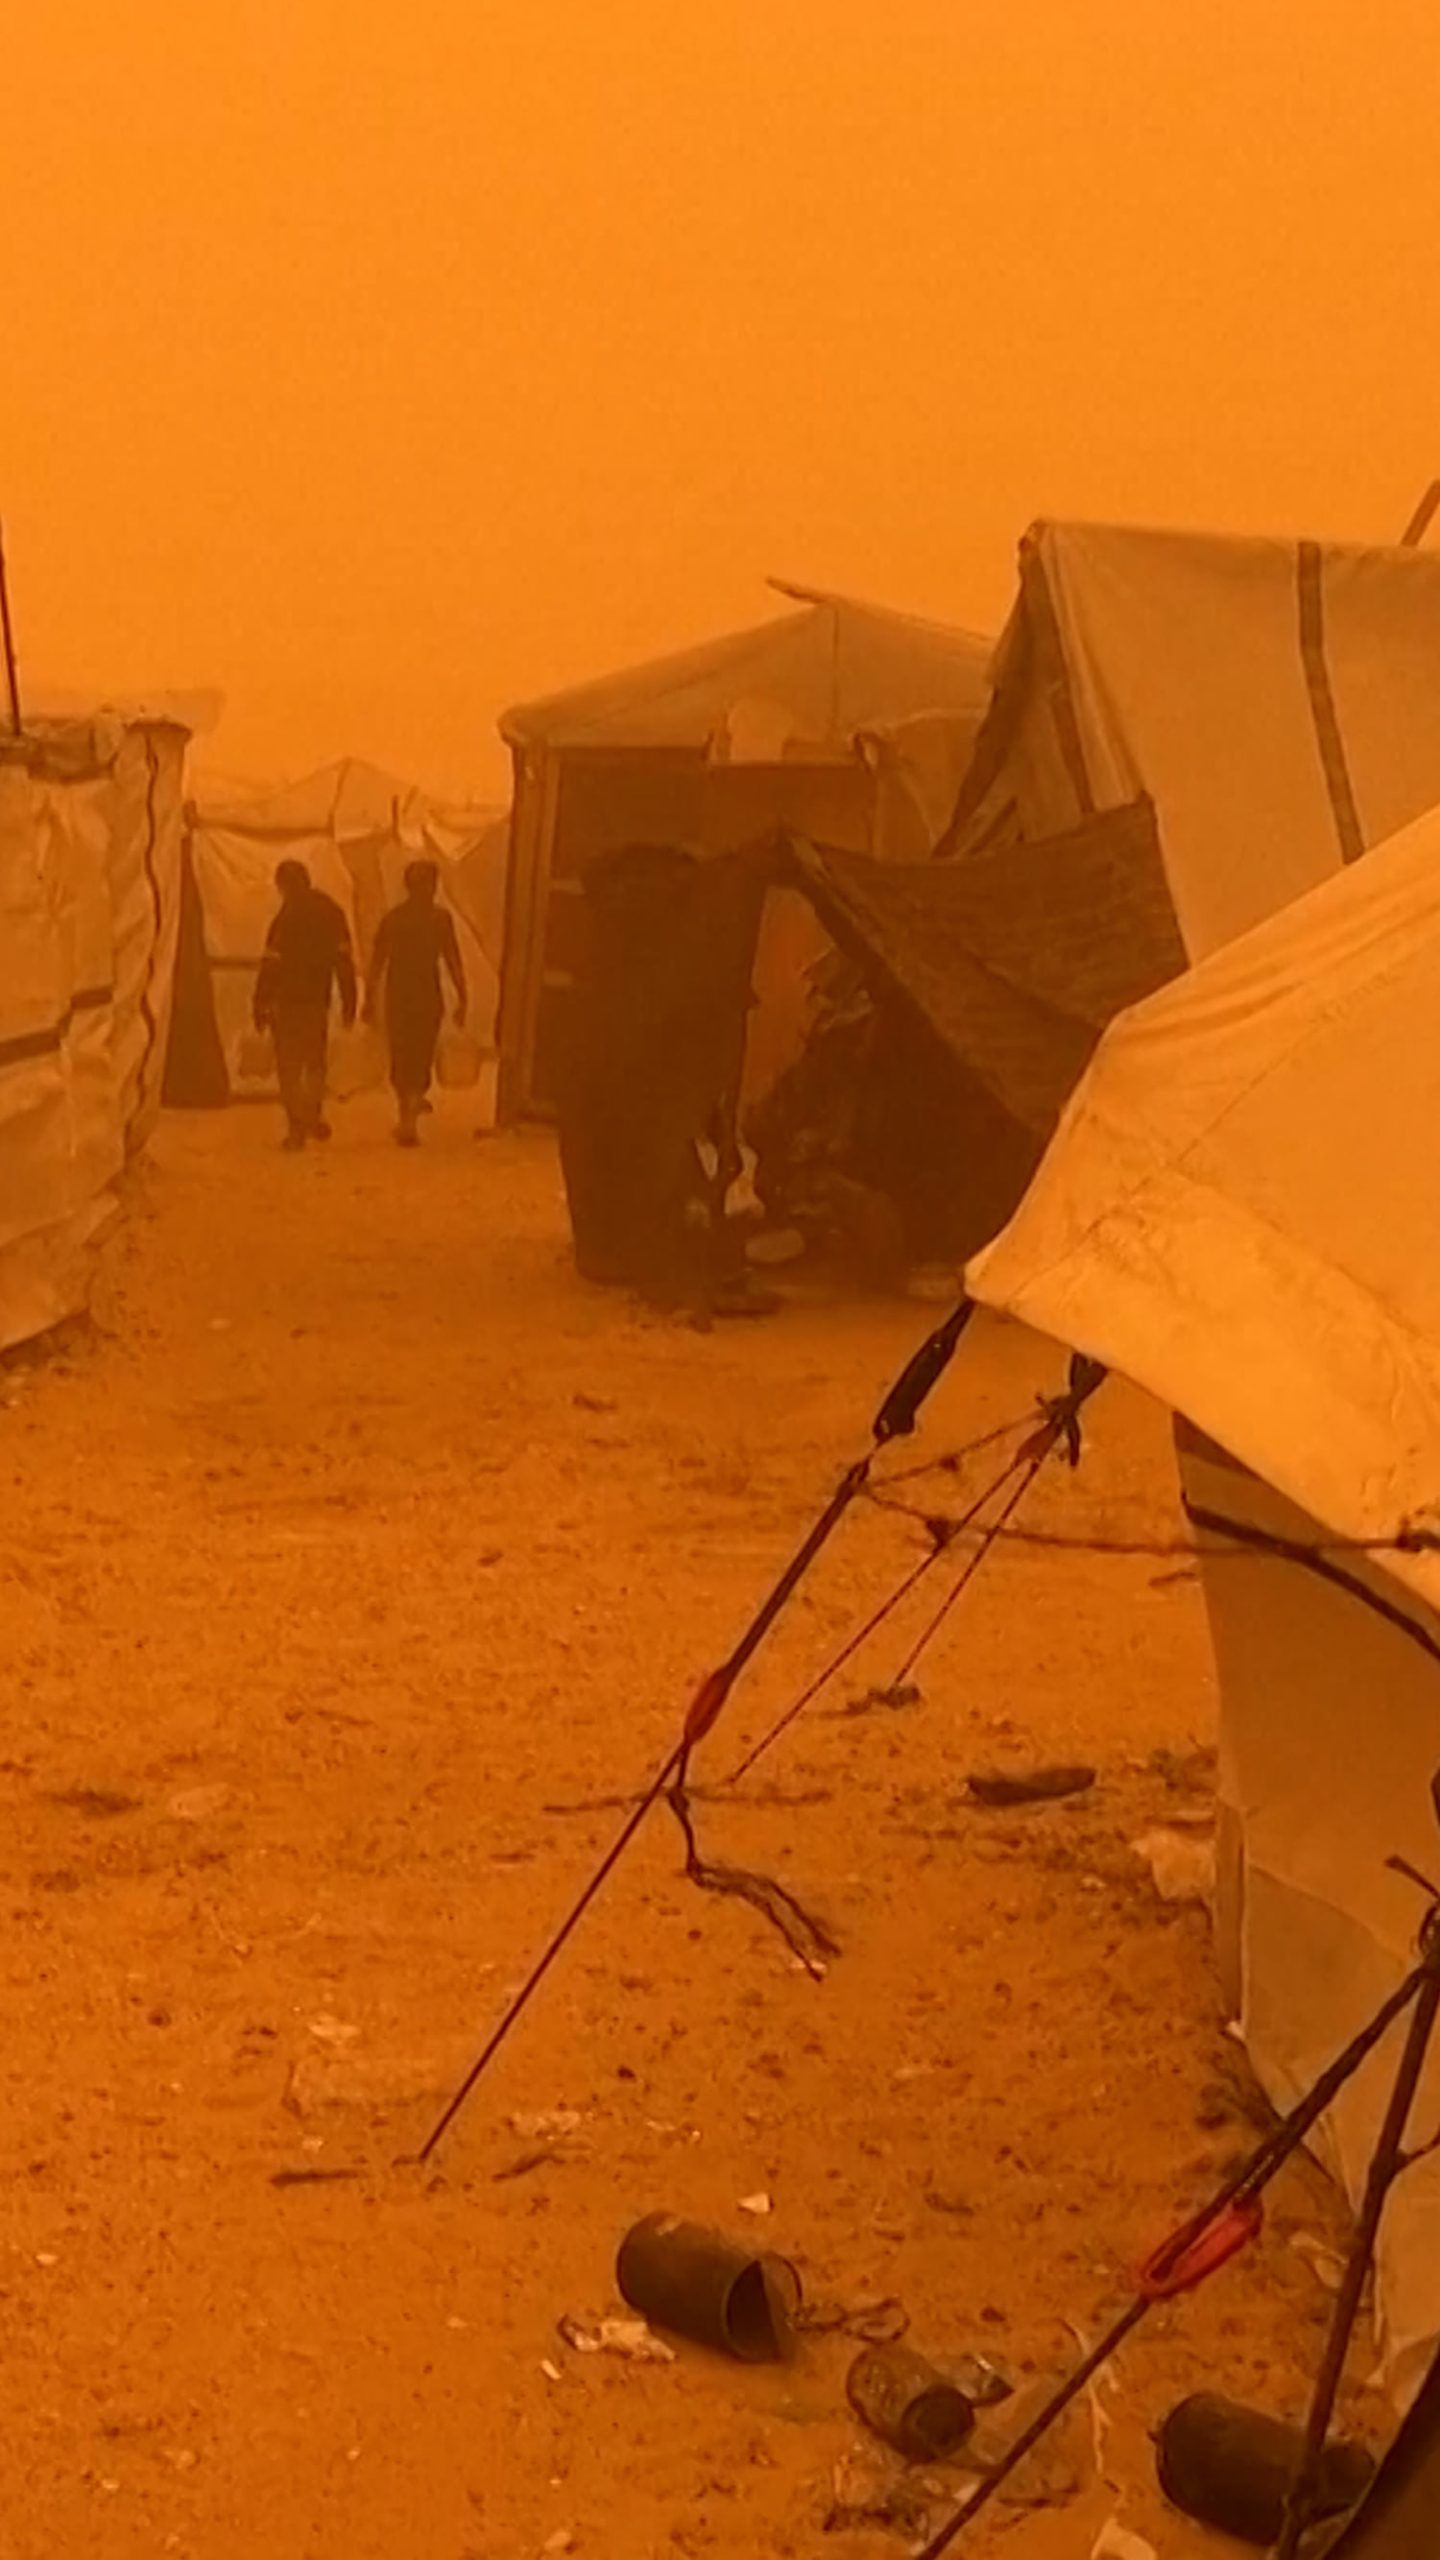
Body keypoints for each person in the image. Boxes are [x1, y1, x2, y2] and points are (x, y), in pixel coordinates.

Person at [253, 859, 357, 1150]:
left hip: (286, 1001)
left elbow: (271, 963)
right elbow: (343, 960)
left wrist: (259, 1002)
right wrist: (350, 999)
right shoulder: (331, 913)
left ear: (283, 885)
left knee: (288, 1066)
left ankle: (296, 1127)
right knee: (314, 1062)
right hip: (316, 1000)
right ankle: (311, 1112)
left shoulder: (285, 917)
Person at [364, 860, 468, 1145]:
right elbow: (453, 959)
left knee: (402, 1053)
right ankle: (412, 1107)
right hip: (427, 993)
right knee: (421, 1053)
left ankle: (406, 1115)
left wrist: (368, 998)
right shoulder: (440, 919)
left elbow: (376, 963)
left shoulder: (393, 919)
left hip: (399, 994)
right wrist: (463, 996)